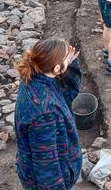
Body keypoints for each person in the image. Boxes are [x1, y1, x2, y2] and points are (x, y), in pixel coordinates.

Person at [14, 37, 82, 190]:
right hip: (52, 180)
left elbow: (68, 94)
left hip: (31, 167)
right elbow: (47, 167)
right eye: (66, 57)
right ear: (56, 69)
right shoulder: (45, 113)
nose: (69, 58)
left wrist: (69, 66)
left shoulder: (33, 78)